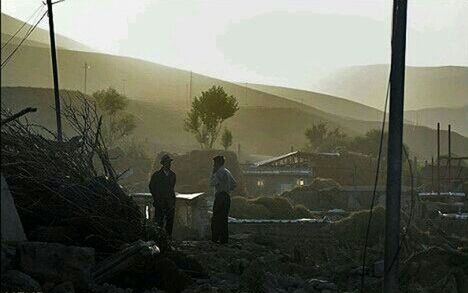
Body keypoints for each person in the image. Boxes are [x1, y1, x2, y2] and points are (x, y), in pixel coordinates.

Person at [210, 155, 237, 244]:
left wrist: (213, 173)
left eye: (214, 163)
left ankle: (215, 238)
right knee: (224, 219)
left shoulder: (218, 172)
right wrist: (227, 188)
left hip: (220, 196)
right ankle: (224, 239)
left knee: (216, 218)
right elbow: (234, 184)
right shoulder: (227, 172)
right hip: (227, 197)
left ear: (217, 163)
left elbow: (212, 183)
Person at [149, 154, 176, 236]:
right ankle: (159, 238)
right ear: (163, 163)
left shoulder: (173, 175)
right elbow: (152, 187)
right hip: (159, 201)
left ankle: (168, 238)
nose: (169, 164)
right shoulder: (156, 175)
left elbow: (171, 188)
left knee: (169, 222)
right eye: (167, 162)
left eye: (170, 162)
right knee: (159, 221)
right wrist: (156, 198)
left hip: (170, 202)